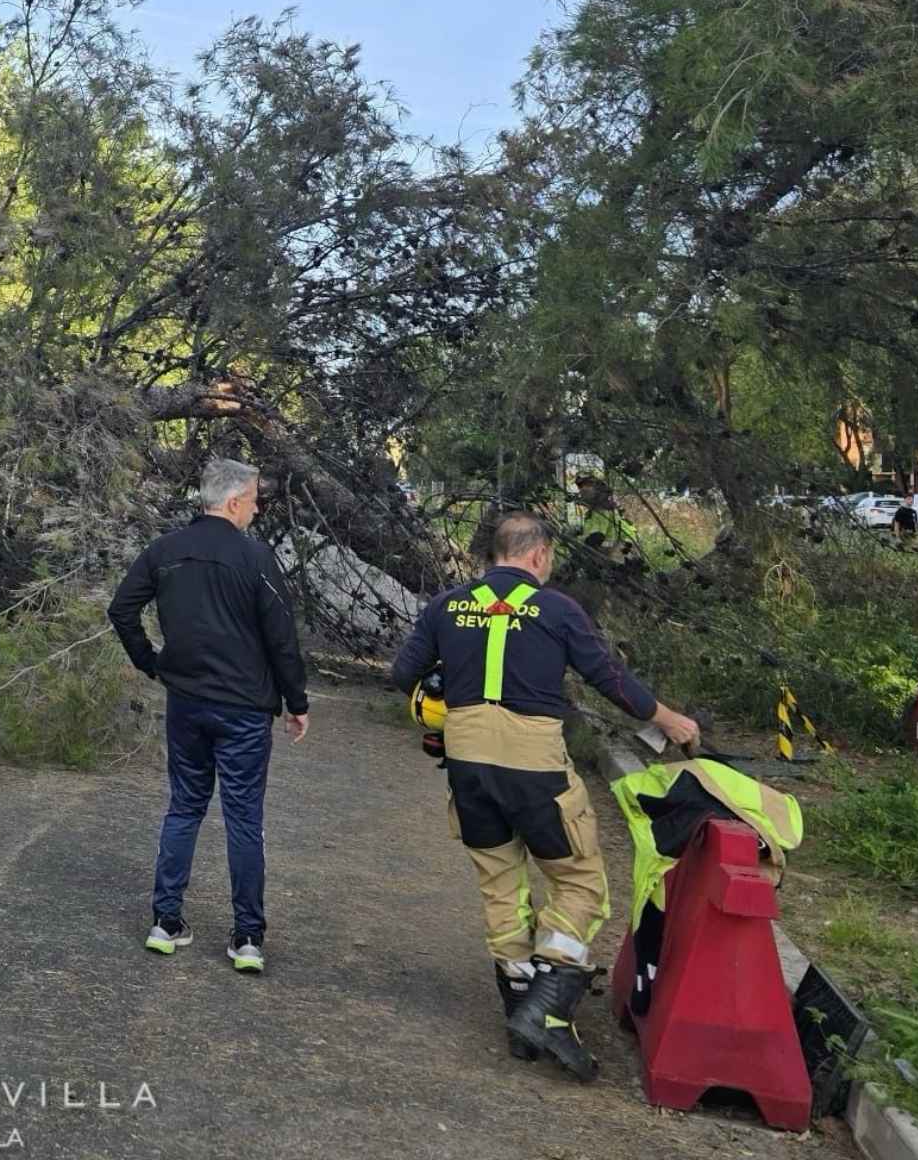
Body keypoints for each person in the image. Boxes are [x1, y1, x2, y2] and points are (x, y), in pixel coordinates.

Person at [387, 511, 702, 1082]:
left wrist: (446, 692)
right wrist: (670, 720)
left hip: (468, 765)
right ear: (538, 556)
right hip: (533, 768)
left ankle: (519, 1009)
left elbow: (401, 674)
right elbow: (611, 680)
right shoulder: (557, 609)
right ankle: (547, 1001)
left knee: (500, 881)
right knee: (580, 881)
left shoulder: (445, 605)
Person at [108, 457, 310, 974]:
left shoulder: (166, 550)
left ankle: (166, 920)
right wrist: (297, 701)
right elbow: (281, 638)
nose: (257, 509)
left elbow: (121, 609)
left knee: (185, 807)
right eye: (255, 500)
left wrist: (152, 663)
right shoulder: (255, 558)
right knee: (243, 818)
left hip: (188, 701)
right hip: (243, 709)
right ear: (236, 501)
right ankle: (247, 936)